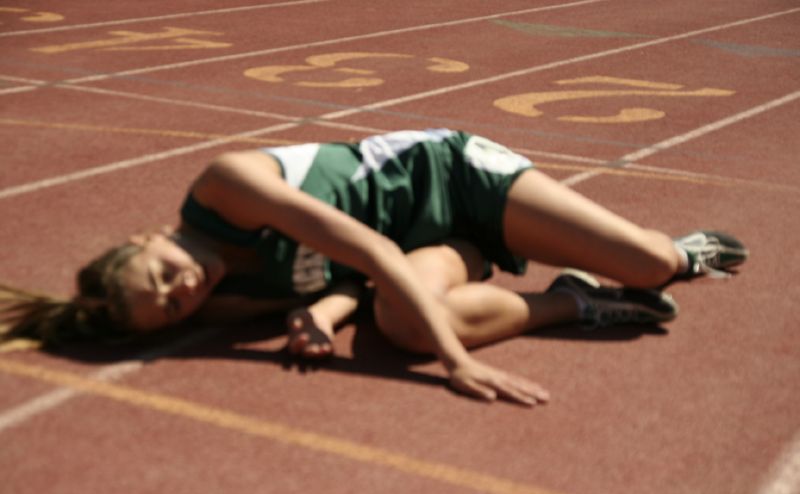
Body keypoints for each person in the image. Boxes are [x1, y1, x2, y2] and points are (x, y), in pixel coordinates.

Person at [0, 129, 748, 406]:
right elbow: (354, 285)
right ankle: (572, 301)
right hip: (435, 250)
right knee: (402, 323)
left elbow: (371, 252)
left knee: (651, 264)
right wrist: (324, 314)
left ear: (146, 234)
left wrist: (457, 363)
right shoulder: (219, 304)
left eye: (161, 273)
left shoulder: (228, 185)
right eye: (170, 308)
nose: (182, 288)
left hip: (453, 182)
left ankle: (676, 252)